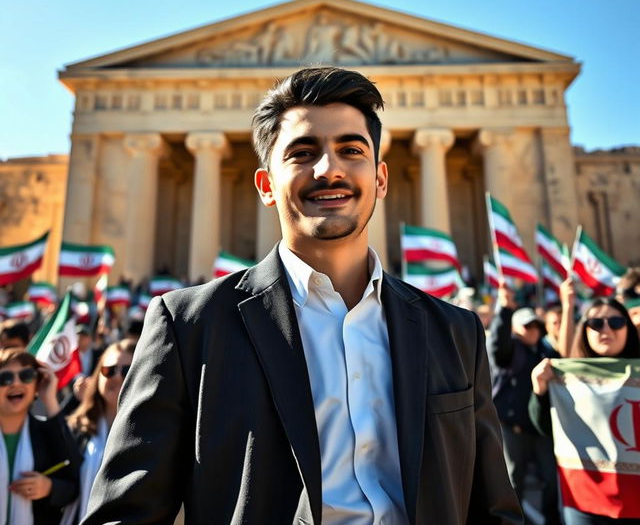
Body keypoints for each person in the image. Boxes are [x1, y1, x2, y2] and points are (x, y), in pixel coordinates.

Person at [84, 67, 521, 524]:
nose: (329, 169)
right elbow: (124, 514)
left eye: (351, 150)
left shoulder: (453, 331)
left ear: (381, 178)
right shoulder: (190, 326)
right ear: (267, 186)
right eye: (303, 152)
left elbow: (491, 508)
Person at [530, 298, 640, 524]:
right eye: (597, 323)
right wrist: (540, 393)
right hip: (585, 497)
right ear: (585, 330)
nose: (606, 329)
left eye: (616, 322)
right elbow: (545, 428)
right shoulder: (565, 377)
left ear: (628, 328)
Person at [487, 284, 560, 525]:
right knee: (513, 483)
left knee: (551, 479)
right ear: (515, 330)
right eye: (527, 326)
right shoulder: (510, 351)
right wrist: (505, 311)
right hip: (513, 429)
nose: (534, 330)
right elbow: (498, 347)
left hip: (540, 429)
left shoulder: (546, 350)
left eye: (536, 325)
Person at [0, 348, 80, 524]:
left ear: (37, 384)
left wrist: (49, 487)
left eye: (26, 376)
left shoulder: (47, 432)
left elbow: (74, 484)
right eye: (5, 378)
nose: (15, 383)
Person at [61, 339, 135, 524]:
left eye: (127, 370)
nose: (117, 377)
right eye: (108, 370)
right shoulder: (75, 427)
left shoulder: (157, 431)